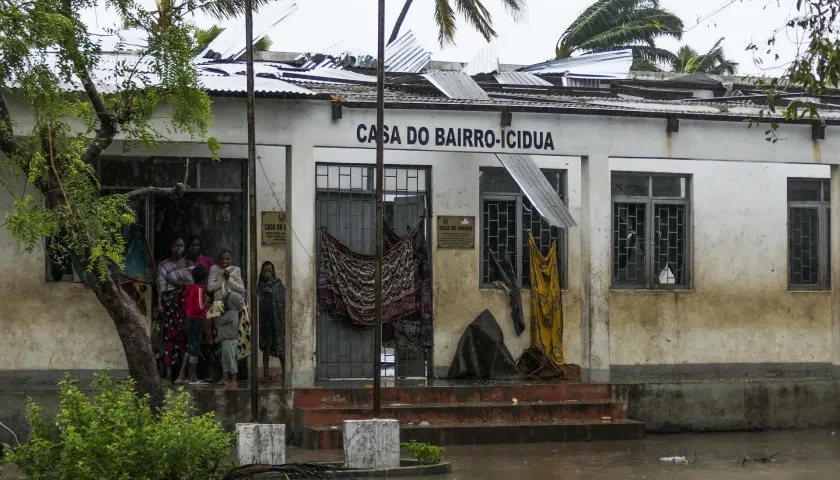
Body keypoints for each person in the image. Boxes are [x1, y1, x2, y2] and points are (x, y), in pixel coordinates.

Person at [156, 237, 194, 383]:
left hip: (186, 307)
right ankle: (169, 374)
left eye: (182, 246)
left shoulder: (189, 263)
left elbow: (191, 283)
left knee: (186, 337)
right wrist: (180, 284)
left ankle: (184, 374)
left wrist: (174, 282)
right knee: (171, 338)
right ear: (171, 247)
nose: (179, 248)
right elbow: (162, 287)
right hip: (171, 308)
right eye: (177, 245)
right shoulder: (164, 265)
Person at [180, 265, 210, 385]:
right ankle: (193, 376)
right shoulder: (198, 289)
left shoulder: (189, 288)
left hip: (188, 318)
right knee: (195, 347)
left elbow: (185, 306)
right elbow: (199, 308)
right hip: (196, 320)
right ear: (204, 278)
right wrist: (206, 301)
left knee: (190, 346)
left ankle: (182, 375)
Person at [258, 261, 285, 382]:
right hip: (265, 321)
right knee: (265, 348)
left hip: (277, 321)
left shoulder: (278, 283)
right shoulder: (260, 285)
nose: (267, 273)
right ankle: (265, 374)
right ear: (262, 272)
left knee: (280, 348)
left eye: (269, 271)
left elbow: (283, 299)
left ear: (273, 272)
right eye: (265, 271)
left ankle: (285, 374)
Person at [217, 291, 244, 389]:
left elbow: (220, 321)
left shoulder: (231, 313)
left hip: (230, 341)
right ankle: (225, 378)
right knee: (225, 360)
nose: (223, 302)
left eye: (225, 301)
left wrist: (217, 313)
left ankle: (234, 379)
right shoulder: (230, 313)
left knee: (231, 360)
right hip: (225, 341)